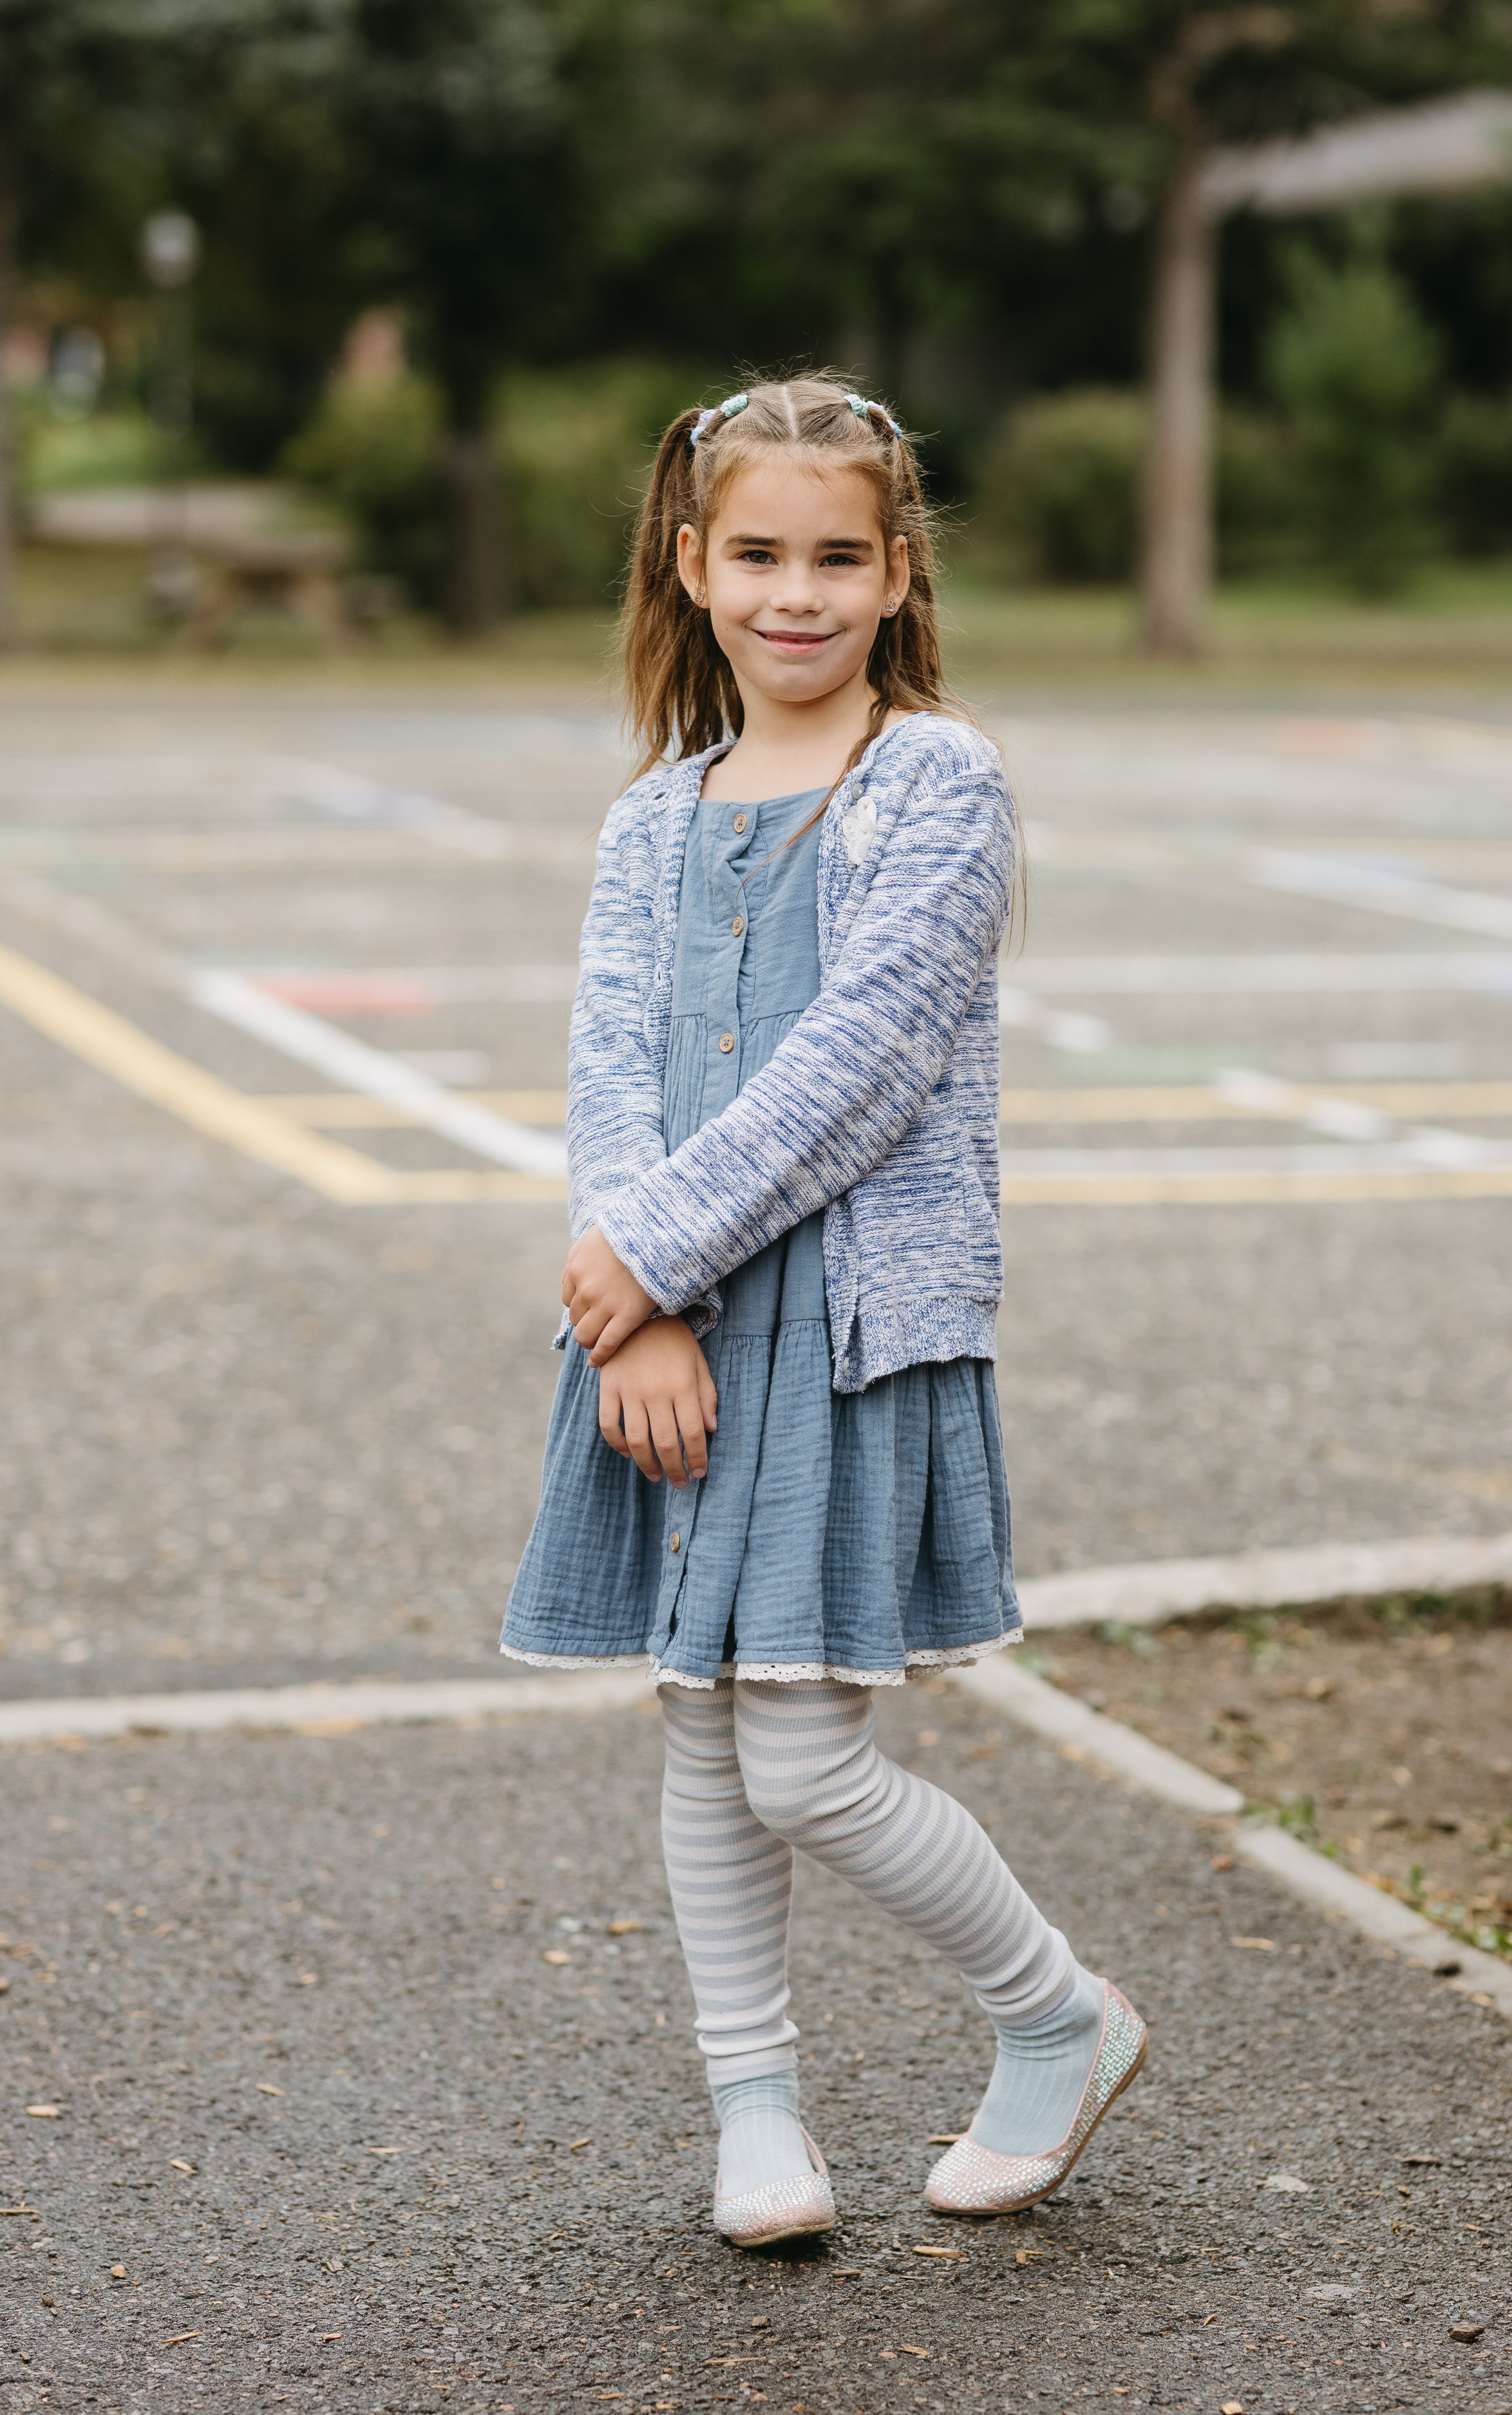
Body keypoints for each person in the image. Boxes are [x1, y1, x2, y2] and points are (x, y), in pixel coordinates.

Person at [502, 375, 1146, 2246]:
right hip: (672, 1330)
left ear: (894, 571)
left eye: (838, 557)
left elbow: (866, 1062)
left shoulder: (932, 777)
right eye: (759, 554)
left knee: (800, 1753)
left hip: (847, 1330)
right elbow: (609, 1071)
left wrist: (653, 1256)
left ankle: (1057, 2019)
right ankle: (754, 2115)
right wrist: (628, 1317)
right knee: (701, 1729)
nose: (798, 592)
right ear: (691, 565)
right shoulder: (650, 816)